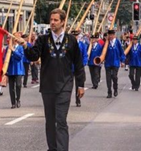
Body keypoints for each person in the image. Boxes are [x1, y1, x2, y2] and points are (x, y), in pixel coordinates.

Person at [23, 8, 85, 151]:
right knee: (50, 121)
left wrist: (80, 85)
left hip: (65, 86)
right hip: (47, 86)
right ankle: (52, 148)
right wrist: (26, 45)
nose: (52, 22)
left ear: (63, 22)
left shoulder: (71, 41)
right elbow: (33, 56)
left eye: (56, 20)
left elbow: (79, 64)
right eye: (51, 20)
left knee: (61, 120)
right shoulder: (43, 40)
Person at [103, 29, 125, 98]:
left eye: (112, 35)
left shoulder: (117, 42)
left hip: (115, 62)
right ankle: (109, 92)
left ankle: (115, 89)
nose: (111, 36)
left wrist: (122, 61)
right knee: (108, 78)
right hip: (108, 63)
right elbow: (103, 52)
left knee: (114, 77)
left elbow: (122, 52)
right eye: (110, 35)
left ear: (114, 35)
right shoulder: (106, 43)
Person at [7, 33, 25, 108]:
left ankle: (18, 100)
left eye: (15, 37)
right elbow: (4, 58)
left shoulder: (20, 47)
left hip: (18, 69)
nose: (14, 39)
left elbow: (20, 57)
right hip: (11, 69)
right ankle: (13, 102)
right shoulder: (8, 48)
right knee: (11, 87)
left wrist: (13, 50)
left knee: (18, 85)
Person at [71, 30, 88, 107]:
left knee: (79, 85)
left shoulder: (82, 45)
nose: (75, 37)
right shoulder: (69, 45)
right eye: (73, 36)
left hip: (79, 68)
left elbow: (85, 55)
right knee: (68, 85)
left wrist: (84, 63)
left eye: (76, 35)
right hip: (70, 67)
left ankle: (78, 100)